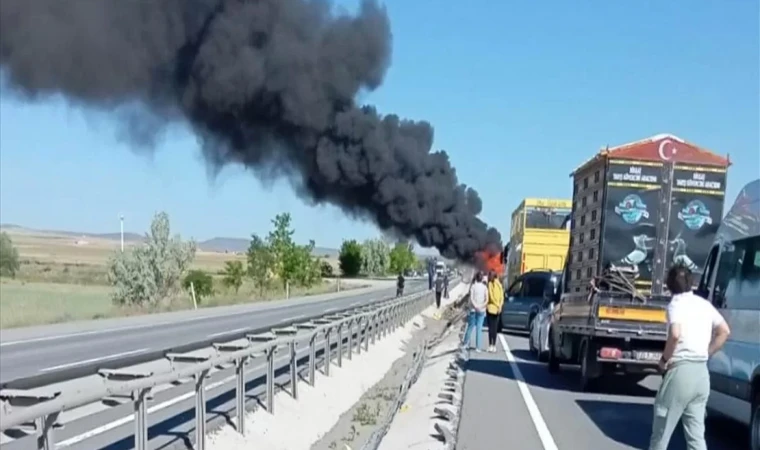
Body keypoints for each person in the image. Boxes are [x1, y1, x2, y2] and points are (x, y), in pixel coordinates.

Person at [648, 265, 731, 450]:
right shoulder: (704, 304)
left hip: (680, 373)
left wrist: (663, 361)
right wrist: (706, 352)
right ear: (691, 283)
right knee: (696, 437)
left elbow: (675, 334)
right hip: (701, 374)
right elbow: (724, 331)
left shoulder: (675, 304)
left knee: (661, 433)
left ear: (669, 285)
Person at [462, 272, 488, 352]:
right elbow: (486, 299)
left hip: (473, 309)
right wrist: (481, 306)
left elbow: (471, 298)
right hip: (482, 310)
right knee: (479, 329)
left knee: (470, 327)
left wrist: (475, 306)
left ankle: (465, 344)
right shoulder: (485, 288)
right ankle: (478, 347)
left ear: (476, 278)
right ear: (482, 279)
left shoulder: (473, 287)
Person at [485, 271, 504, 352]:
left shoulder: (490, 284)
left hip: (491, 308)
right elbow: (502, 297)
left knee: (491, 328)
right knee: (495, 328)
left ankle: (490, 345)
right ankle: (494, 345)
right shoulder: (500, 285)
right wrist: (500, 305)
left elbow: (491, 296)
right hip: (498, 310)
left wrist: (496, 304)